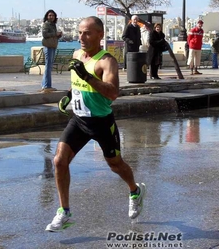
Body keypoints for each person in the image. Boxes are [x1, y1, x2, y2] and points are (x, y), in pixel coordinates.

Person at [46, 16, 145, 232]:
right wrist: (69, 96)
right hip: (79, 120)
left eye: (87, 33)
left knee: (115, 165)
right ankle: (64, 212)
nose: (82, 37)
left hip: (102, 123)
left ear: (100, 35)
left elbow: (113, 93)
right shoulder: (77, 55)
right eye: (80, 32)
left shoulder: (106, 61)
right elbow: (77, 83)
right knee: (59, 161)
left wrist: (87, 76)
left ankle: (134, 190)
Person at [41, 9, 62, 92]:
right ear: (47, 16)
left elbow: (53, 36)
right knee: (48, 66)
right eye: (49, 15)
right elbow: (45, 34)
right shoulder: (46, 24)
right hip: (48, 46)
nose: (51, 17)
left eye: (52, 15)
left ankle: (45, 85)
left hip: (53, 46)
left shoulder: (53, 25)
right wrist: (55, 34)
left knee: (49, 66)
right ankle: (46, 86)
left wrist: (58, 35)